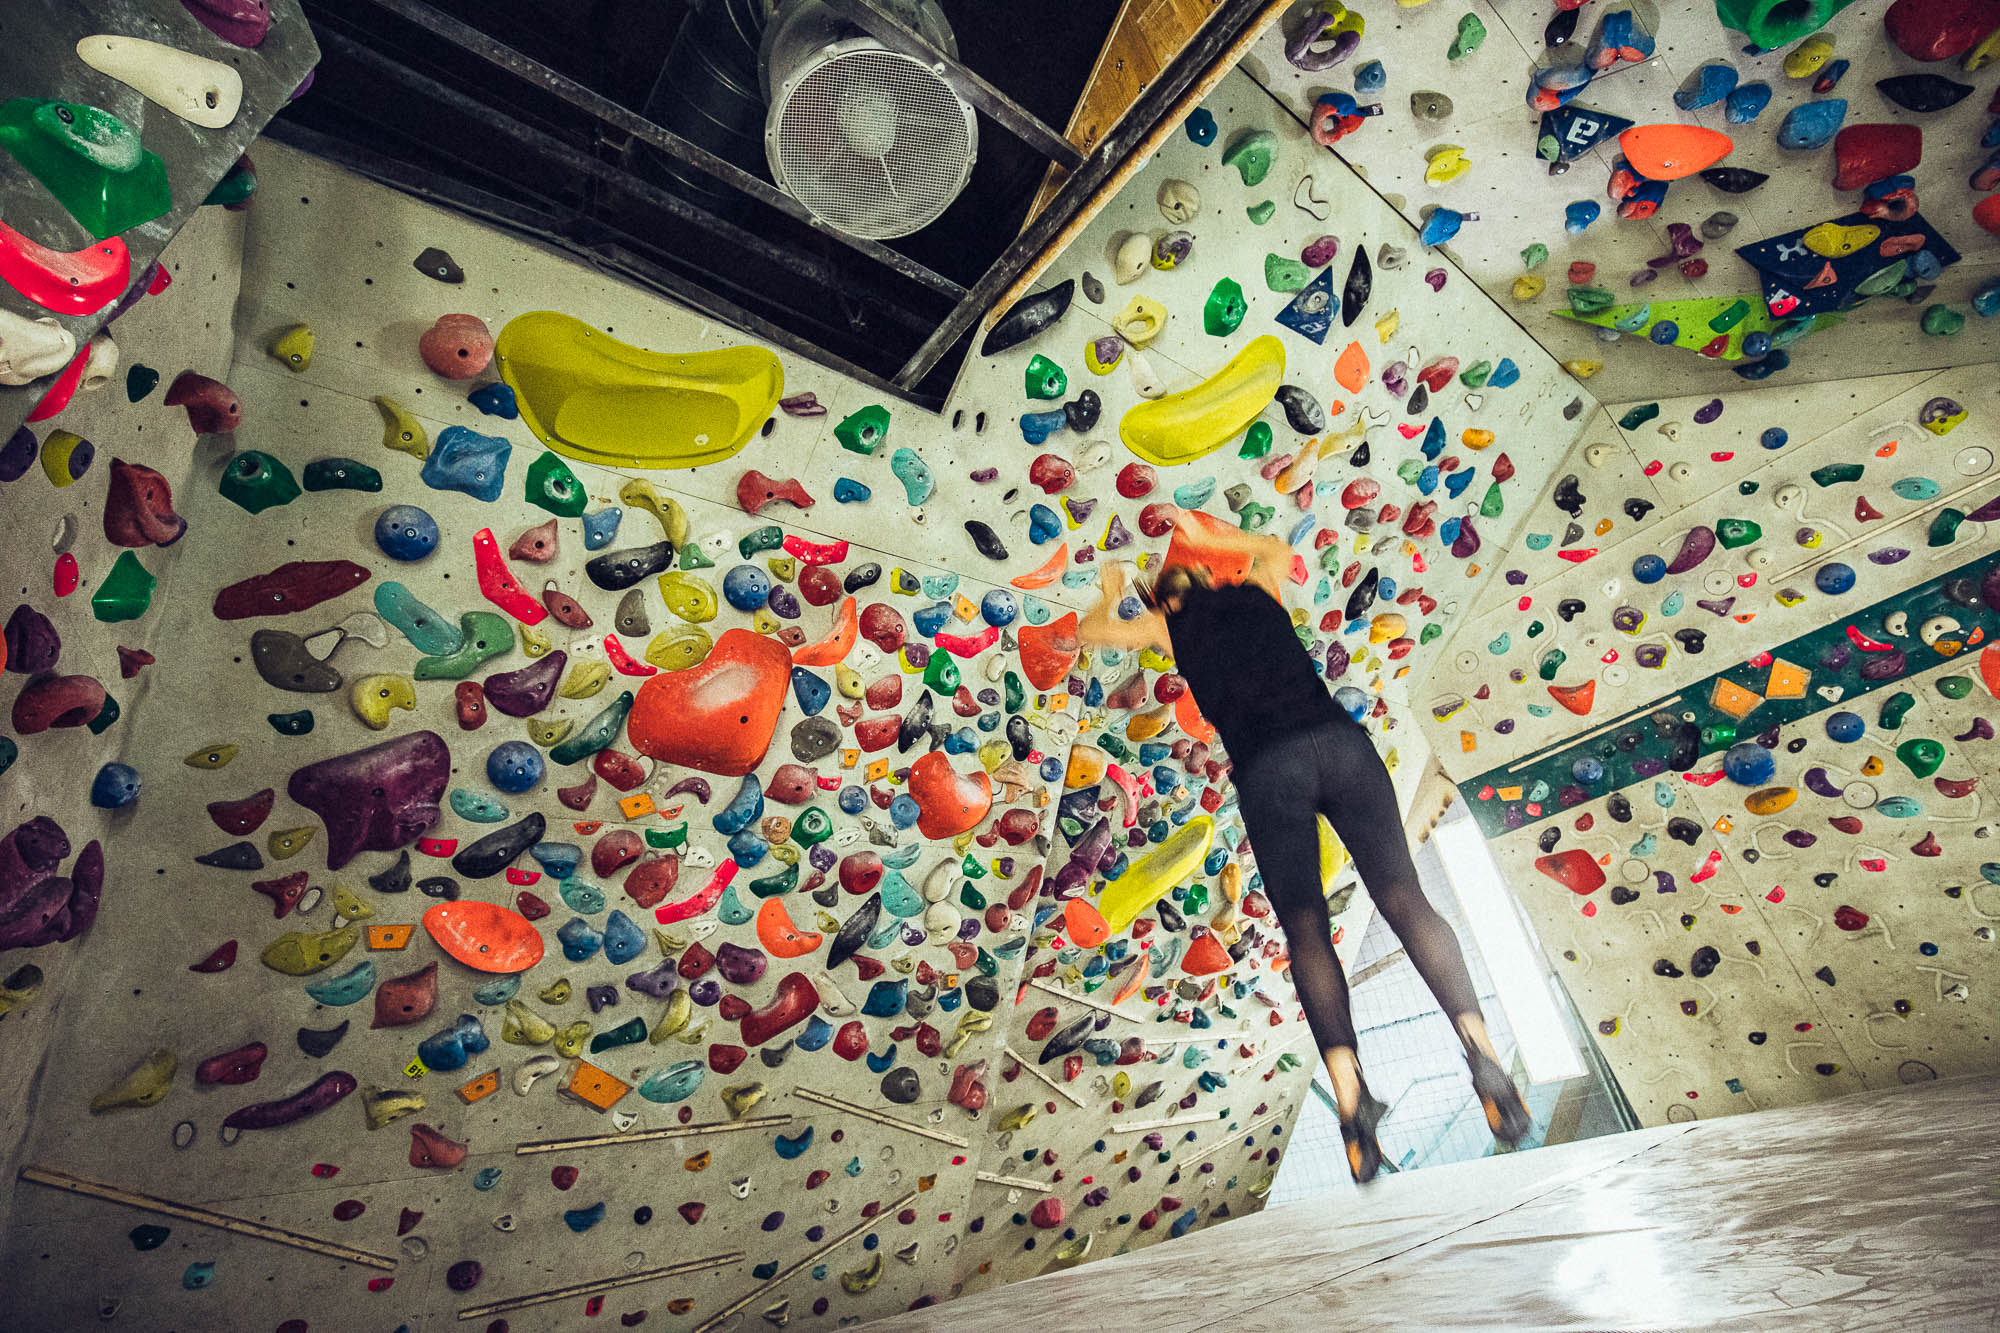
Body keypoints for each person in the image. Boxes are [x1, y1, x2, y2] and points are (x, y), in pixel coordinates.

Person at [1076, 514, 1529, 1183]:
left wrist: (1114, 588)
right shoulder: (1258, 591)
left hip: (1270, 772)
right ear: (1206, 574)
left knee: (1308, 928)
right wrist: (1207, 536)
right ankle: (1481, 1049)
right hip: (1340, 747)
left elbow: (1091, 631)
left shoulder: (1171, 626)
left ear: (1164, 597)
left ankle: (1351, 1098)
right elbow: (1270, 548)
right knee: (1406, 898)